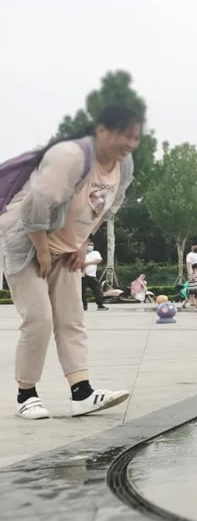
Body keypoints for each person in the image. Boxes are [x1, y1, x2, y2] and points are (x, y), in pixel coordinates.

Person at [0, 103, 140, 420]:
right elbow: (34, 207)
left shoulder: (124, 164)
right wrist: (43, 249)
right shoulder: (71, 157)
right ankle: (26, 394)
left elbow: (104, 206)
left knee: (71, 318)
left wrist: (81, 243)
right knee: (39, 319)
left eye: (134, 137)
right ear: (101, 131)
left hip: (66, 247)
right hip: (25, 241)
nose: (129, 144)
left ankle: (82, 393)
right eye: (124, 135)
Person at [81, 238, 107, 311]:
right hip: (83, 275)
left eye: (91, 245)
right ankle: (84, 306)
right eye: (88, 245)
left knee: (98, 289)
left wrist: (87, 263)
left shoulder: (95, 253)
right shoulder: (81, 253)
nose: (90, 246)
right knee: (83, 292)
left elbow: (98, 260)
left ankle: (100, 305)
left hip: (92, 276)